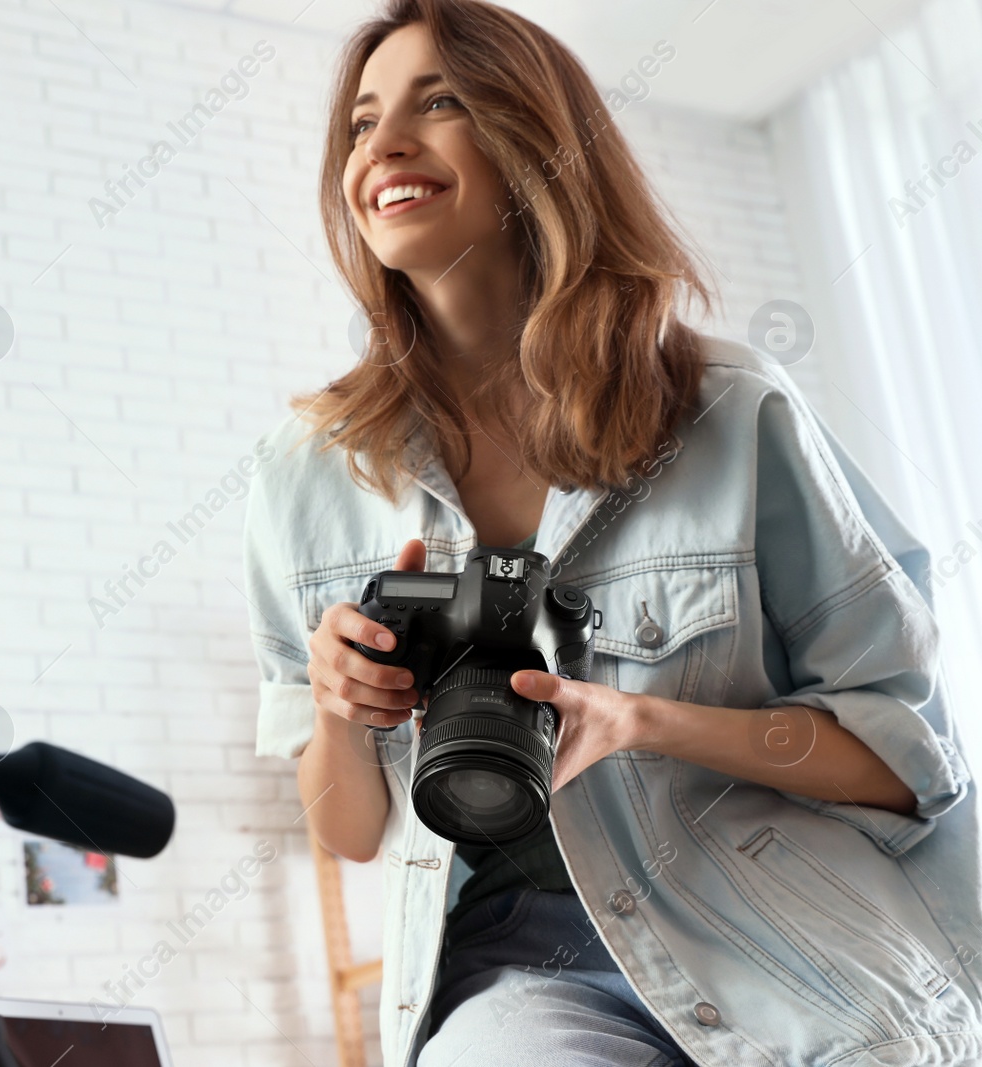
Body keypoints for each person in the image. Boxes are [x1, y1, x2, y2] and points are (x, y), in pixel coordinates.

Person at [240, 2, 980, 1065]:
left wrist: (638, 719)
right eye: (359, 123)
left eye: (437, 101)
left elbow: (906, 765)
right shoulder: (305, 471)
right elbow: (350, 831)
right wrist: (338, 710)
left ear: (534, 140)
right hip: (521, 977)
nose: (383, 145)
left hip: (791, 943)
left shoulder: (729, 409)